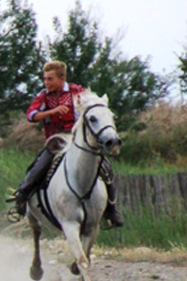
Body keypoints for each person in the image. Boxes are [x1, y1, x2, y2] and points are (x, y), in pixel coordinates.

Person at [8, 61, 125, 228]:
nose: (46, 83)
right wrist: (52, 112)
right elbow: (31, 115)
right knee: (39, 165)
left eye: (50, 79)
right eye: (45, 79)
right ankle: (23, 197)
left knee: (106, 170)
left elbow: (95, 106)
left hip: (78, 140)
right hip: (56, 141)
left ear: (62, 78)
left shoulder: (77, 92)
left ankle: (111, 209)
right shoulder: (43, 96)